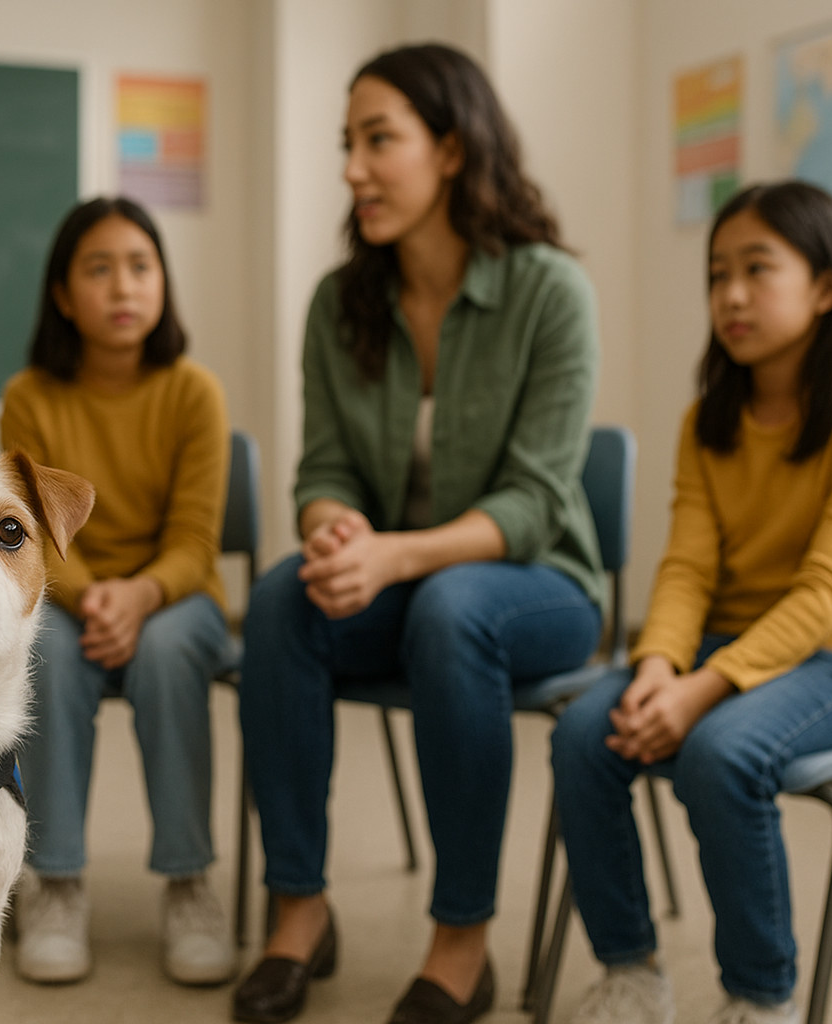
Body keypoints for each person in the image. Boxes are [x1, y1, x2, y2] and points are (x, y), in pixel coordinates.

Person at [232, 44, 605, 1024]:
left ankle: (461, 940)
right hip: (400, 579)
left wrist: (393, 555)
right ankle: (299, 911)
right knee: (279, 597)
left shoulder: (550, 292)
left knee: (450, 610)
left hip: (538, 584)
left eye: (377, 139)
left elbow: (533, 502)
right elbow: (324, 469)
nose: (352, 167)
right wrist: (333, 528)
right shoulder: (337, 303)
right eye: (346, 143)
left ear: (452, 148)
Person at [551, 181, 832, 1024]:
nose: (733, 295)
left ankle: (761, 994)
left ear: (826, 287)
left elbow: (826, 594)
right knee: (582, 732)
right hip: (718, 646)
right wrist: (655, 667)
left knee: (720, 754)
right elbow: (685, 570)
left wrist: (701, 690)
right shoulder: (706, 421)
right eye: (718, 275)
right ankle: (632, 971)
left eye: (758, 269)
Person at [0, 196, 235, 987]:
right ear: (64, 294)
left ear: (163, 281)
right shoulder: (31, 396)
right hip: (73, 596)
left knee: (168, 655)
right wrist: (100, 595)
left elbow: (197, 542)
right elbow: (28, 534)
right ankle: (56, 883)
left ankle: (190, 882)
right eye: (98, 270)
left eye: (140, 266)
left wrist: (139, 597)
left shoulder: (193, 391)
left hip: (178, 597)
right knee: (50, 656)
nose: (122, 286)